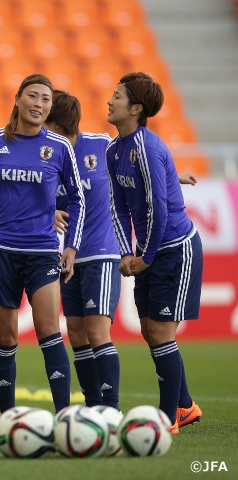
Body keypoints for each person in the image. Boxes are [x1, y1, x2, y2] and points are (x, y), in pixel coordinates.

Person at [0, 74, 86, 414]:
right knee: (5, 338)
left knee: (49, 331)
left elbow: (77, 199)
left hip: (43, 252)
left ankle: (63, 415)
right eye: (32, 96)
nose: (39, 104)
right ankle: (8, 417)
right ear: (17, 99)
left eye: (45, 99)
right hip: (0, 252)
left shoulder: (59, 148)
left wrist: (71, 246)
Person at [105, 72, 203, 434]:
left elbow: (157, 207)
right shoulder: (114, 151)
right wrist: (123, 252)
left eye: (117, 96)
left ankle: (167, 418)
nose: (109, 101)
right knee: (150, 329)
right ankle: (185, 406)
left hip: (175, 249)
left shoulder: (146, 146)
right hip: (149, 251)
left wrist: (145, 256)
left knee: (161, 332)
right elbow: (119, 208)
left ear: (136, 108)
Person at [46, 90, 122, 410]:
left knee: (96, 330)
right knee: (76, 332)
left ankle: (111, 409)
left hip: (101, 251)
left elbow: (138, 169)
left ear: (63, 126)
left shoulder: (101, 145)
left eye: (49, 126)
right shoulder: (45, 156)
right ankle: (93, 406)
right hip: (66, 257)